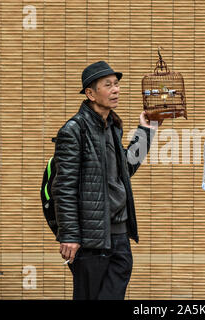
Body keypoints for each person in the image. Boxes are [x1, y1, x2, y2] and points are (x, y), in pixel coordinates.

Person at [52, 60, 161, 300]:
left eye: (117, 84)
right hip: (91, 238)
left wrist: (146, 130)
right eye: (108, 85)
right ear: (90, 93)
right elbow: (64, 187)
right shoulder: (74, 130)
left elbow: (126, 168)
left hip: (119, 236)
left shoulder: (112, 126)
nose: (116, 89)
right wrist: (69, 235)